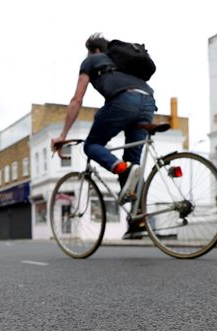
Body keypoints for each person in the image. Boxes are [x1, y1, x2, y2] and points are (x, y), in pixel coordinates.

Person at [51, 33, 157, 237]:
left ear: (95, 51)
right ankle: (137, 220)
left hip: (125, 101)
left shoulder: (91, 60)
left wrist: (63, 134)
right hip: (149, 102)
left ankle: (118, 167)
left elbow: (77, 100)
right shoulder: (122, 63)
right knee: (133, 164)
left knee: (91, 146)